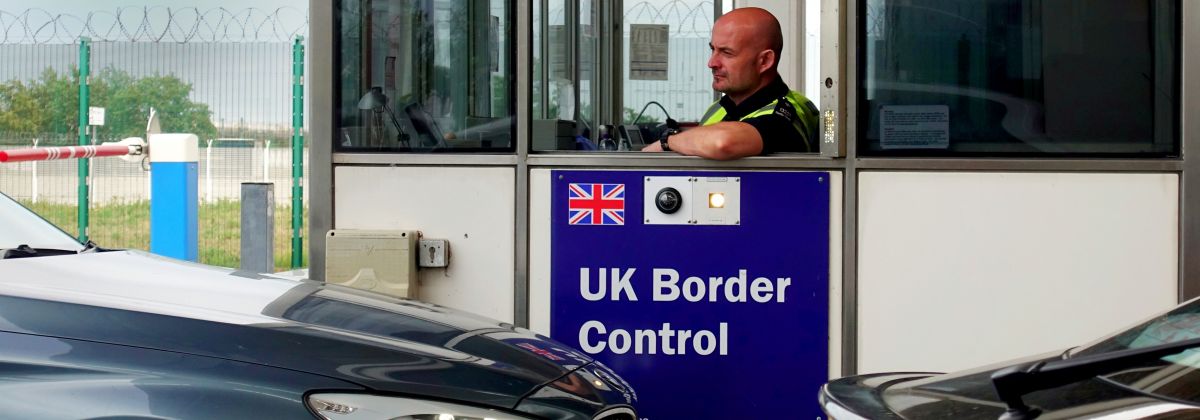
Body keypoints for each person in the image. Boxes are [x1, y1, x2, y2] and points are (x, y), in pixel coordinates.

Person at [641, 7, 820, 160]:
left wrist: (667, 142)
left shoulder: (783, 115)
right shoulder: (720, 107)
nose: (712, 63)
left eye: (727, 53)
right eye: (713, 49)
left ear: (765, 61)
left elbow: (722, 142)